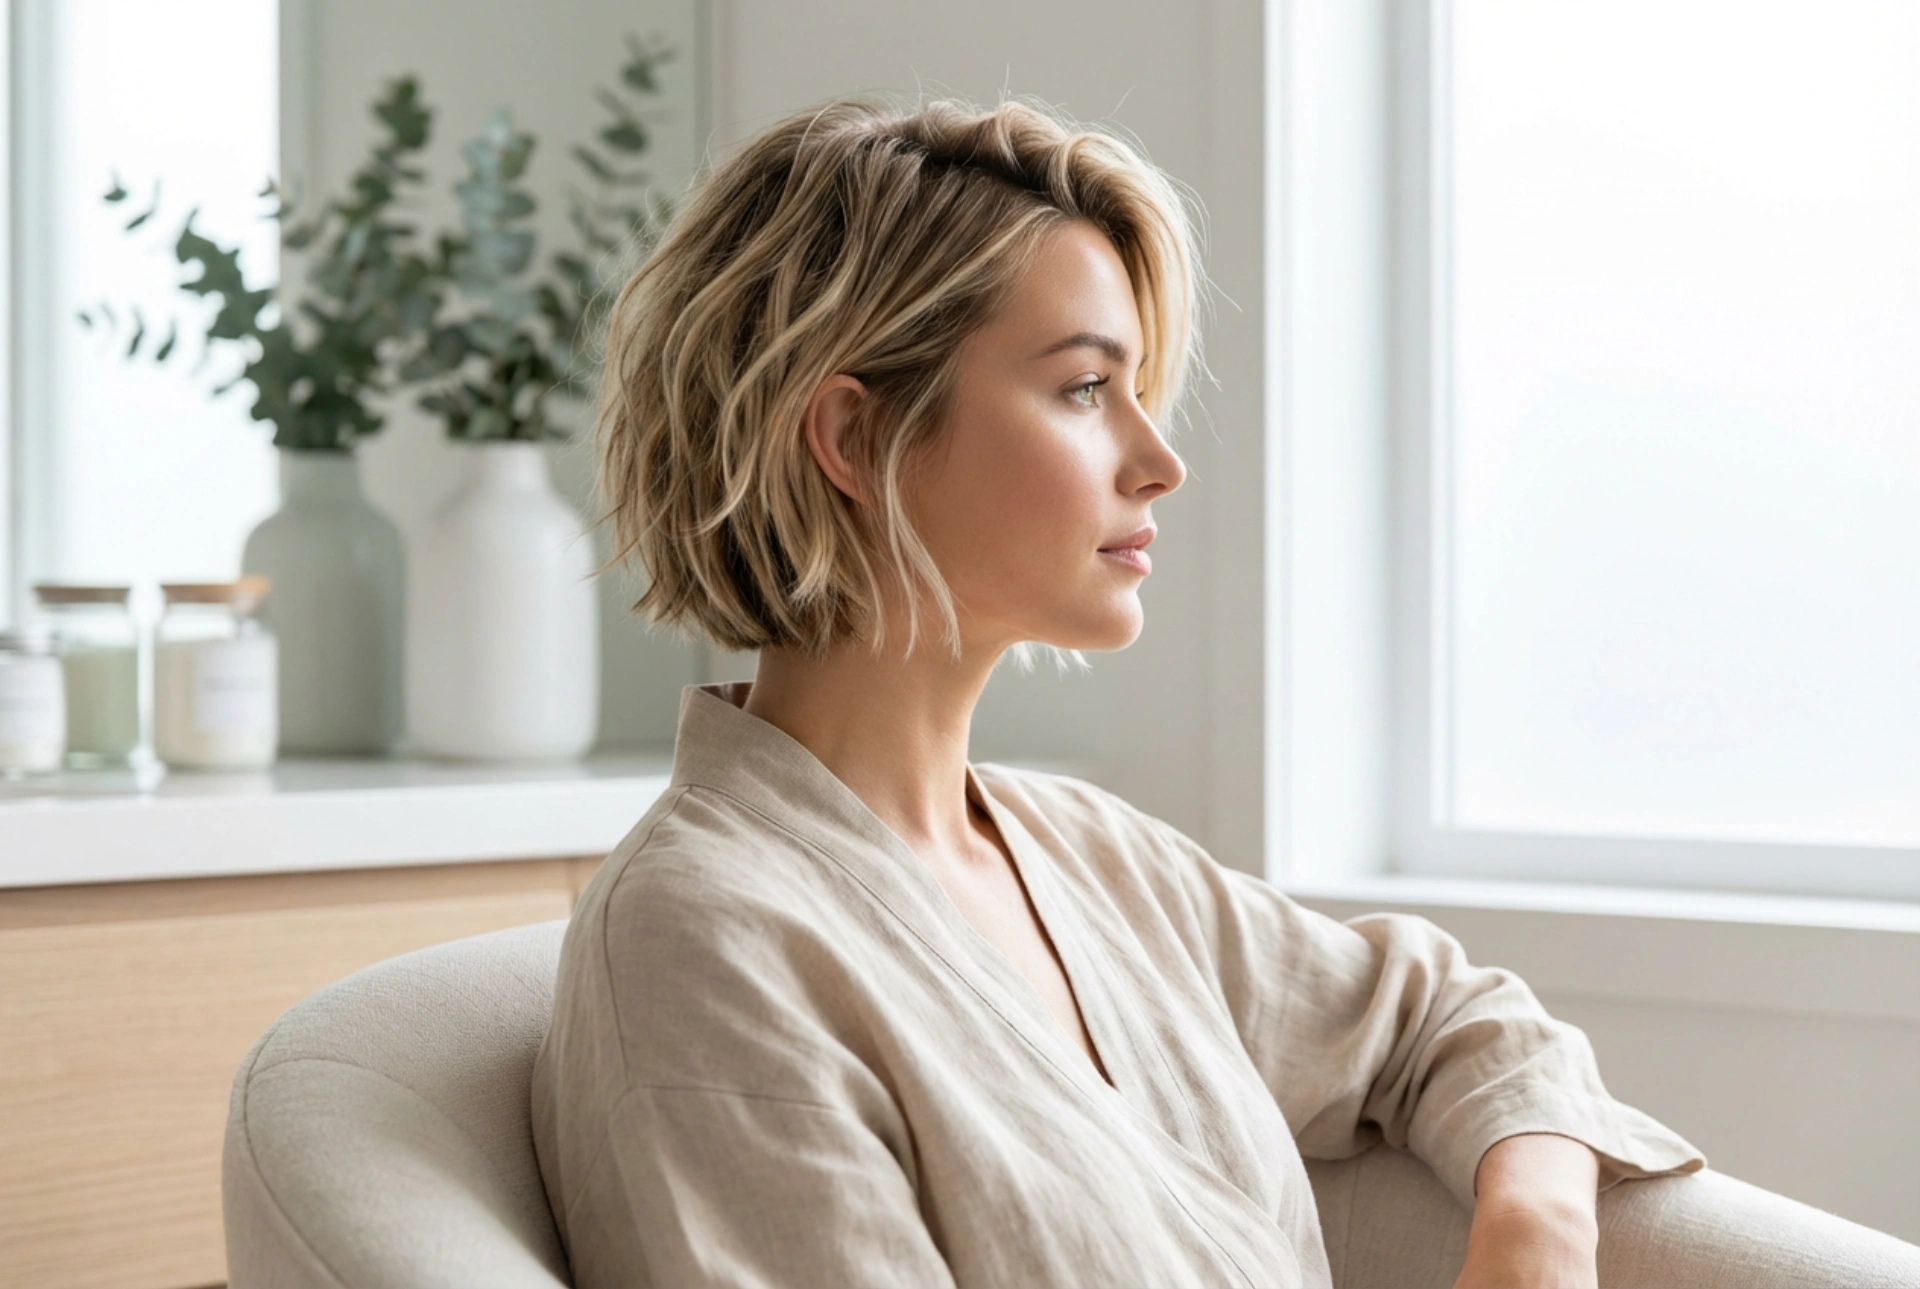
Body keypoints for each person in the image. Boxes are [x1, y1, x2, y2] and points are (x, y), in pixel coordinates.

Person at [530, 95, 1705, 1289]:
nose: (1161, 459)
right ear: (855, 437)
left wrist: (1533, 1235)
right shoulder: (706, 942)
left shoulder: (1090, 858)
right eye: (1087, 388)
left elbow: (1452, 1023)